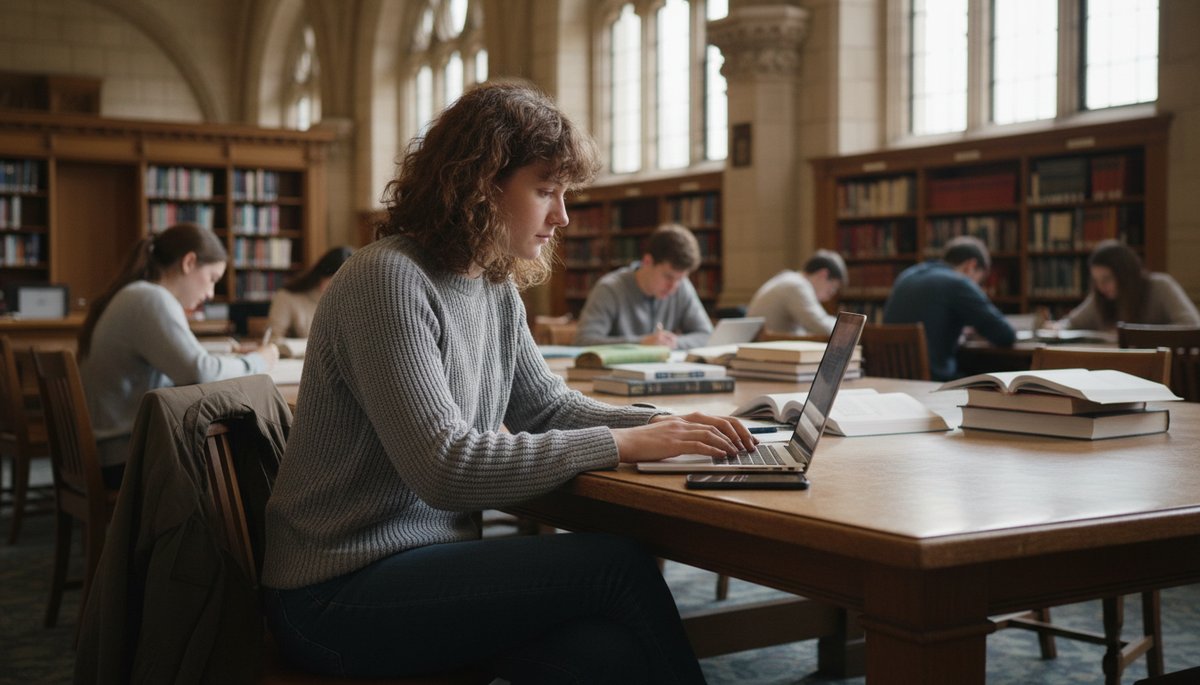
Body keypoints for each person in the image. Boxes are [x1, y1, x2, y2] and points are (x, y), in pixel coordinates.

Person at [261, 80, 751, 684]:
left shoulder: (492, 285)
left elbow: (544, 407)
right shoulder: (386, 278)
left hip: (426, 567)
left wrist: (661, 427)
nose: (562, 216)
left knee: (610, 655)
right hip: (335, 592)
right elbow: (444, 466)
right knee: (615, 566)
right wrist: (619, 444)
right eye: (545, 190)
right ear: (479, 185)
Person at [78, 223, 279, 488]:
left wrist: (226, 351)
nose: (209, 293)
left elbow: (180, 358)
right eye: (212, 279)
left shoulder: (136, 294)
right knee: (253, 451)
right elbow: (200, 372)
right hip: (126, 457)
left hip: (112, 447)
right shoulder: (151, 299)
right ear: (189, 262)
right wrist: (260, 360)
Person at [882, 235, 1015, 381]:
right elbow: (1005, 335)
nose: (977, 287)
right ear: (971, 266)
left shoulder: (907, 275)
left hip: (891, 377)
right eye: (979, 281)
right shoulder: (958, 282)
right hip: (933, 379)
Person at [573, 223, 714, 350]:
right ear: (647, 261)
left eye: (681, 279)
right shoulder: (609, 289)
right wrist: (641, 343)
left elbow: (707, 336)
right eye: (668, 277)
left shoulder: (682, 287)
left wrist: (672, 343)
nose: (673, 287)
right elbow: (583, 341)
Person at [1050, 239, 1200, 331]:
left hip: (1165, 371)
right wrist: (1054, 328)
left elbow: (1192, 325)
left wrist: (1137, 336)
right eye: (1096, 281)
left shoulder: (1160, 286)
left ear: (1125, 274)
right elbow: (1071, 323)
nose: (1101, 287)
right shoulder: (1102, 297)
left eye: (1106, 279)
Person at [746, 249, 847, 337]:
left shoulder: (790, 278)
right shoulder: (797, 286)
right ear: (823, 275)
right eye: (831, 290)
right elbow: (823, 327)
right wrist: (848, 327)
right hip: (770, 351)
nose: (827, 298)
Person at [265, 245, 354, 341]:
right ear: (322, 275)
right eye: (334, 281)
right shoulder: (286, 297)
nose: (339, 289)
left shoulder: (352, 302)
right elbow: (273, 339)